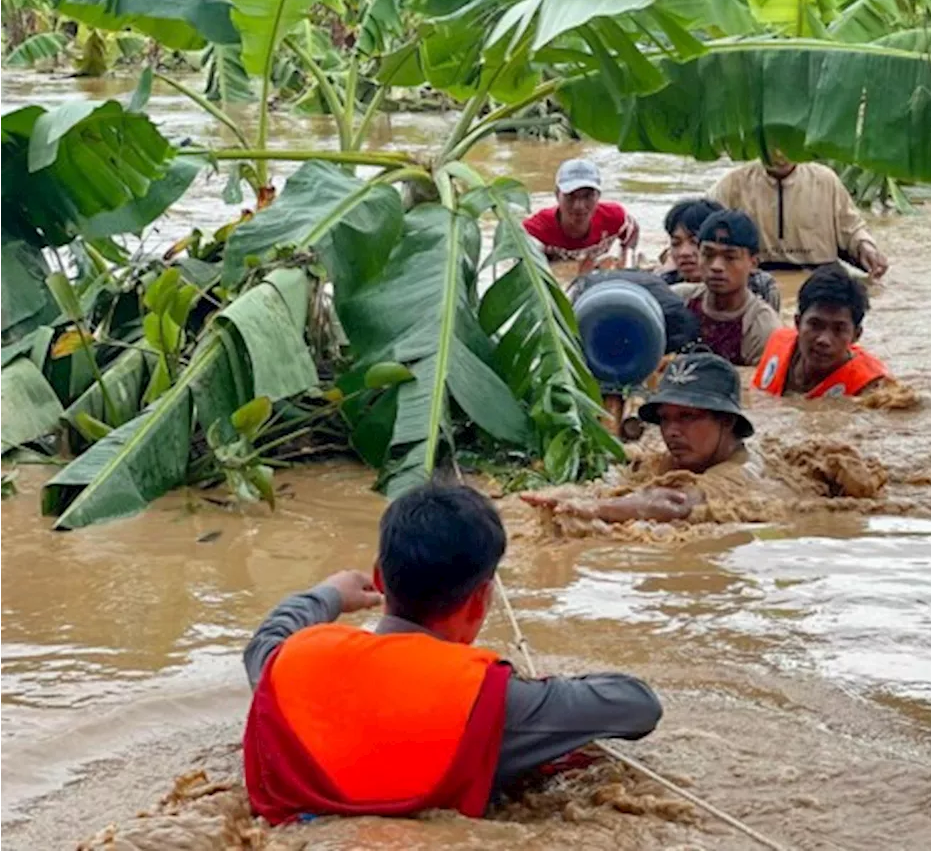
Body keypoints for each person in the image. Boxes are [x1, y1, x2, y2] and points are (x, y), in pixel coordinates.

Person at [241, 484, 662, 824]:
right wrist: (542, 691)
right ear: (482, 598)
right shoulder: (495, 697)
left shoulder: (291, 662)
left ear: (378, 578)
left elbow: (268, 637)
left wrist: (329, 593)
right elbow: (638, 706)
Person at [521, 352, 755, 524]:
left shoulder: (740, 474)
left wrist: (595, 507)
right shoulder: (670, 462)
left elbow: (678, 503)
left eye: (687, 417)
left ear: (727, 421)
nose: (671, 431)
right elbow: (626, 475)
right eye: (664, 418)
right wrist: (571, 493)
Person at [709, 150, 889, 278]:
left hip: (821, 276)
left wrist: (867, 247)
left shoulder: (825, 180)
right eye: (772, 145)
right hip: (758, 277)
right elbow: (702, 227)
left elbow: (852, 228)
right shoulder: (733, 184)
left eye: (788, 144)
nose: (780, 154)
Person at [752, 263, 890, 399]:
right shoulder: (777, 343)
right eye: (815, 325)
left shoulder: (871, 387)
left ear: (856, 335)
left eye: (838, 329)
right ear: (798, 323)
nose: (824, 340)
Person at [671, 210, 781, 366]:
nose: (716, 266)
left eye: (730, 257)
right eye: (708, 254)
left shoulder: (762, 327)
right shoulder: (679, 300)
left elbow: (759, 386)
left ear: (753, 263)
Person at [660, 198, 781, 311]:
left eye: (694, 242)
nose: (684, 252)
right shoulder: (664, 287)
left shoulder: (761, 287)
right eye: (676, 243)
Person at [523, 158, 639, 266]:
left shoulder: (614, 217)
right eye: (570, 196)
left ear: (598, 196)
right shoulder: (536, 230)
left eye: (588, 196)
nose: (579, 206)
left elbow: (632, 229)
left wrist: (627, 260)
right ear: (557, 195)